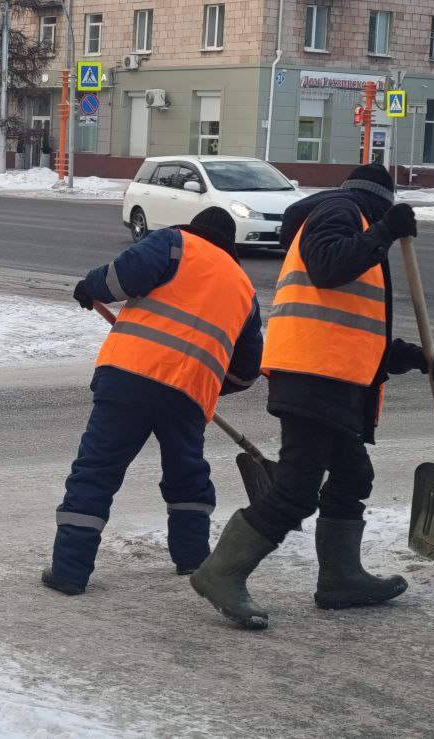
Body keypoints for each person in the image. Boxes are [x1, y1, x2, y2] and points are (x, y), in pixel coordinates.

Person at [191, 165, 434, 630]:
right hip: (313, 377)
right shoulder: (340, 211)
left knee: (353, 473)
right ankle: (220, 572)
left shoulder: (359, 223)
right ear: (380, 201)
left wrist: (414, 356)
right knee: (296, 488)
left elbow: (348, 329)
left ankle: (341, 578)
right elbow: (328, 267)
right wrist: (387, 231)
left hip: (328, 376)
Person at [43, 207, 264, 595]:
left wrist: (90, 286)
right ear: (230, 244)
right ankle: (193, 560)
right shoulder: (245, 290)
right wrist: (205, 380)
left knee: (97, 470)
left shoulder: (175, 243)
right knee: (187, 475)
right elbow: (246, 371)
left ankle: (69, 573)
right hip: (189, 396)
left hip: (129, 377)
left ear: (198, 226)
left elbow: (122, 275)